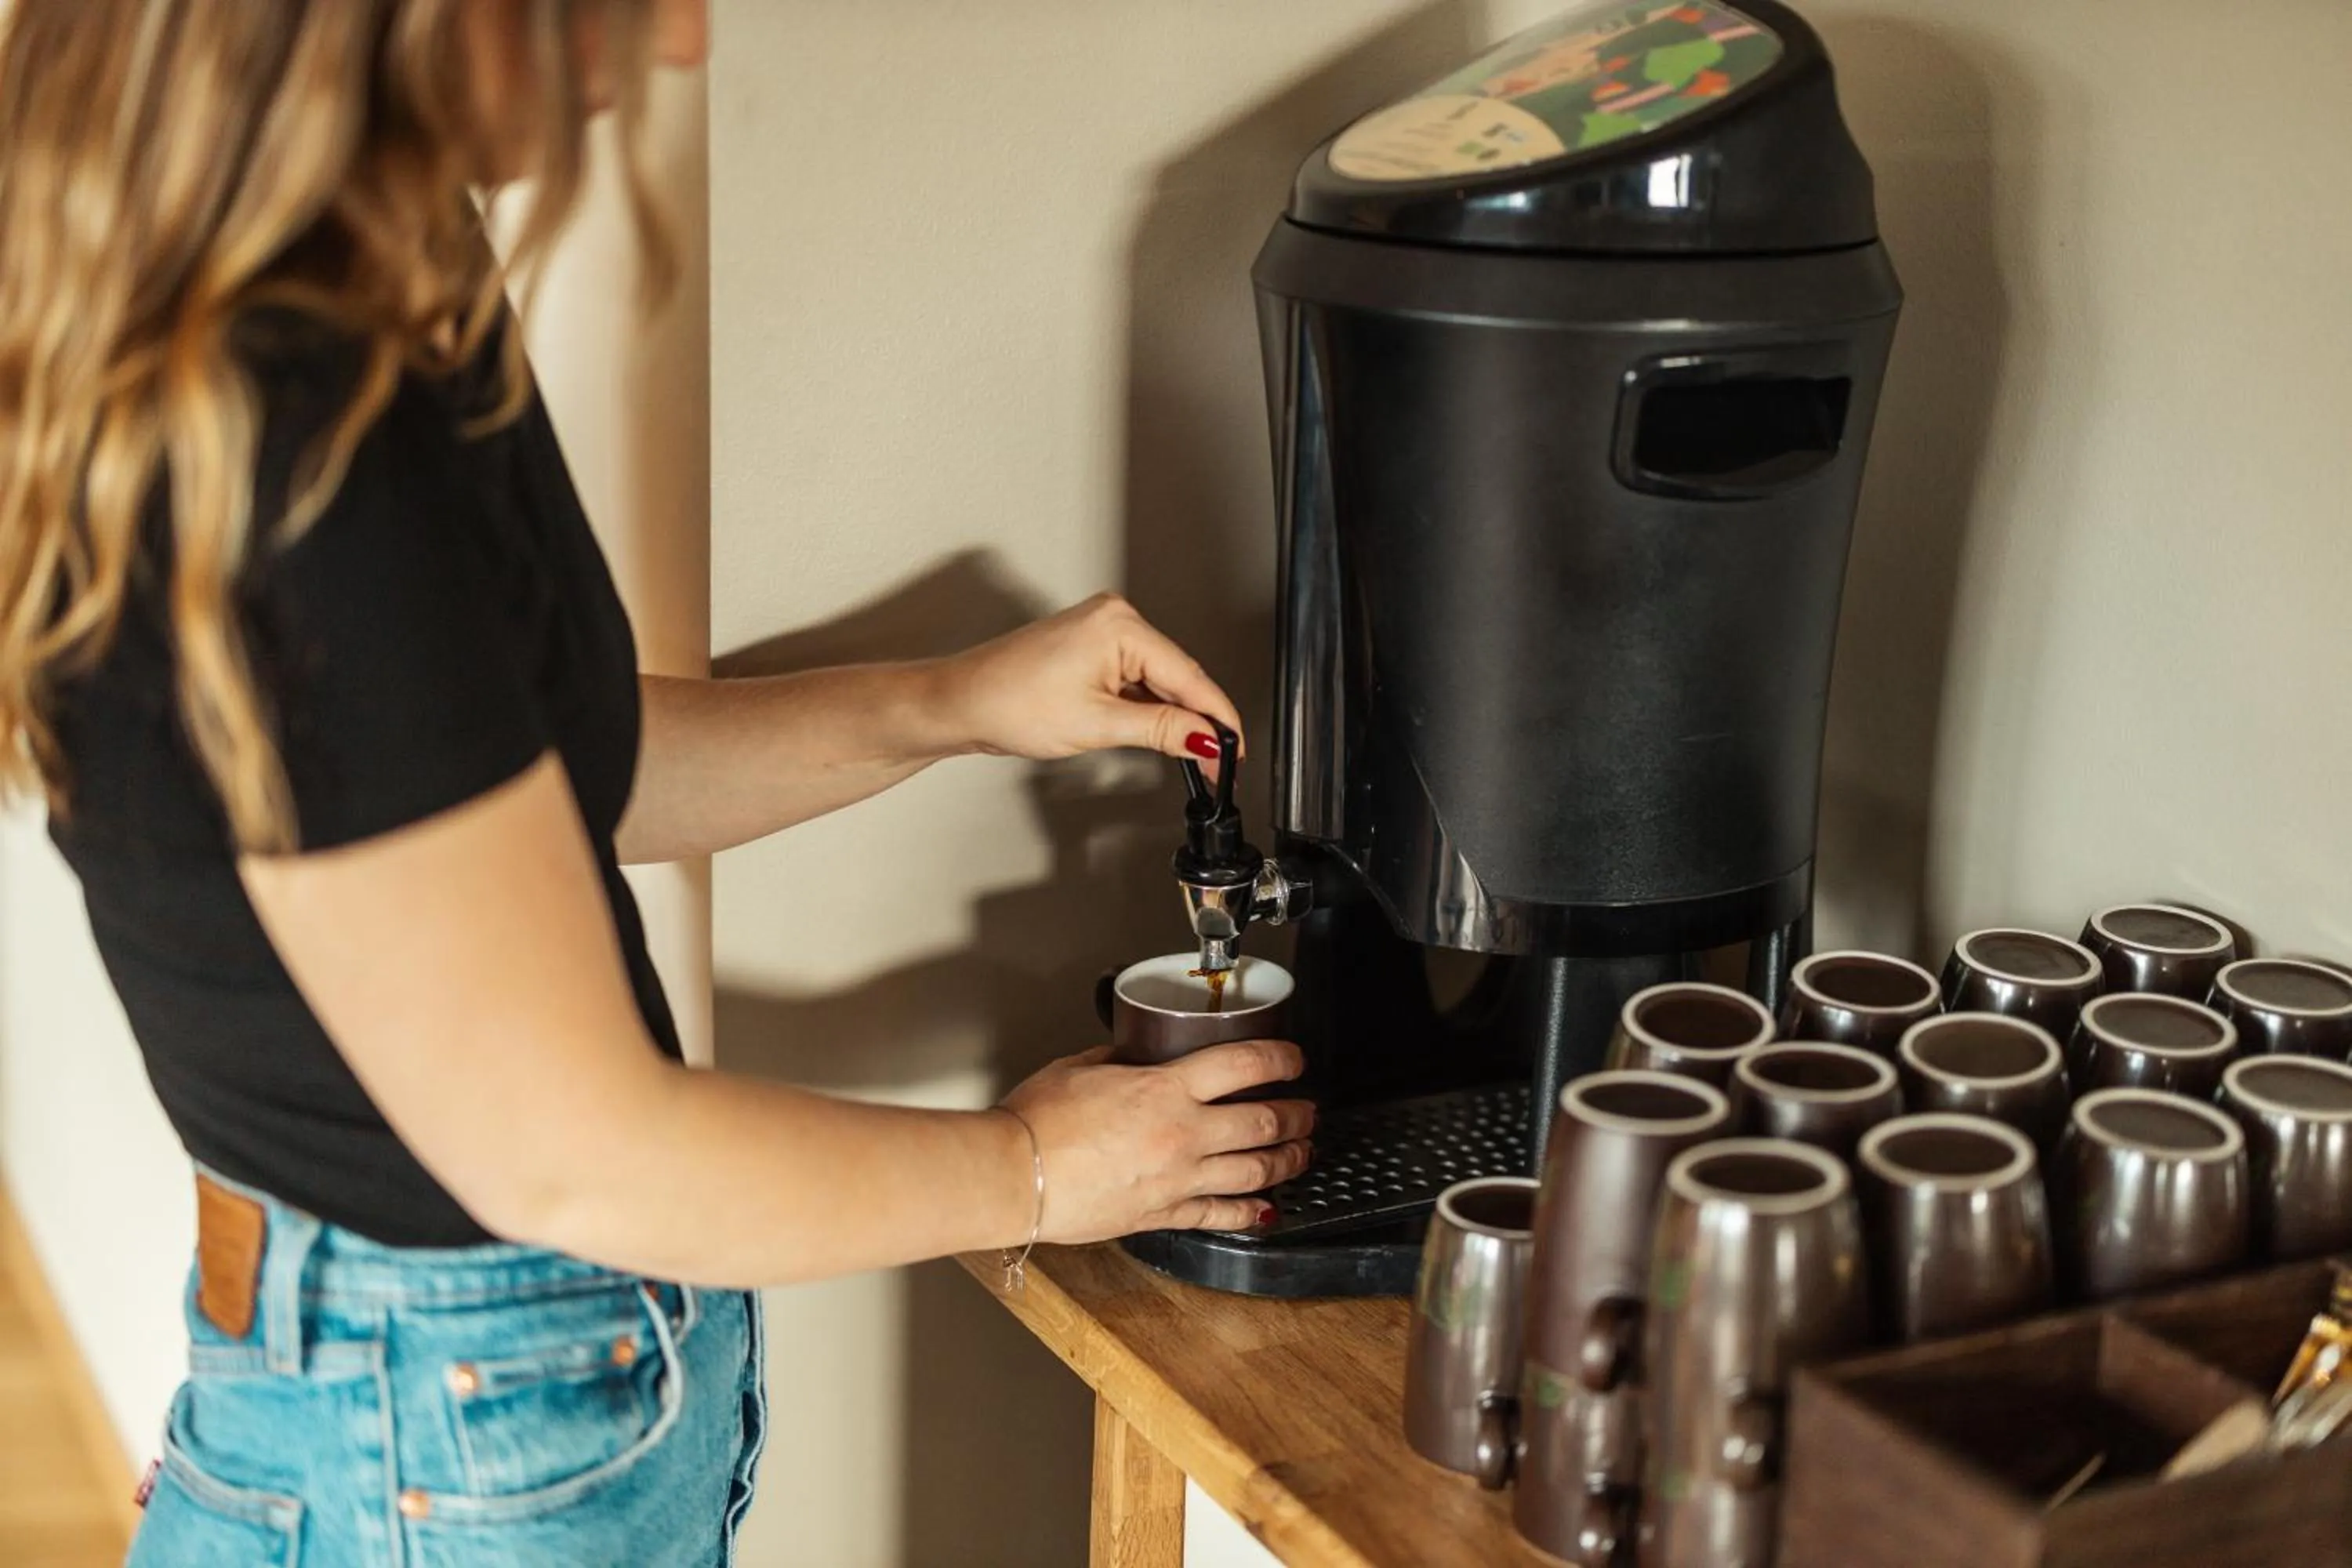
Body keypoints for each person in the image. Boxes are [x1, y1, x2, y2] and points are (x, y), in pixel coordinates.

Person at [0, 3, 1313, 1563]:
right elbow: (576, 1154)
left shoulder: (374, 294)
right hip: (441, 1434)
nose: (679, 42)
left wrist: (950, 703)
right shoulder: (296, 438)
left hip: (429, 1402)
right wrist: (1040, 1171)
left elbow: (534, 780)